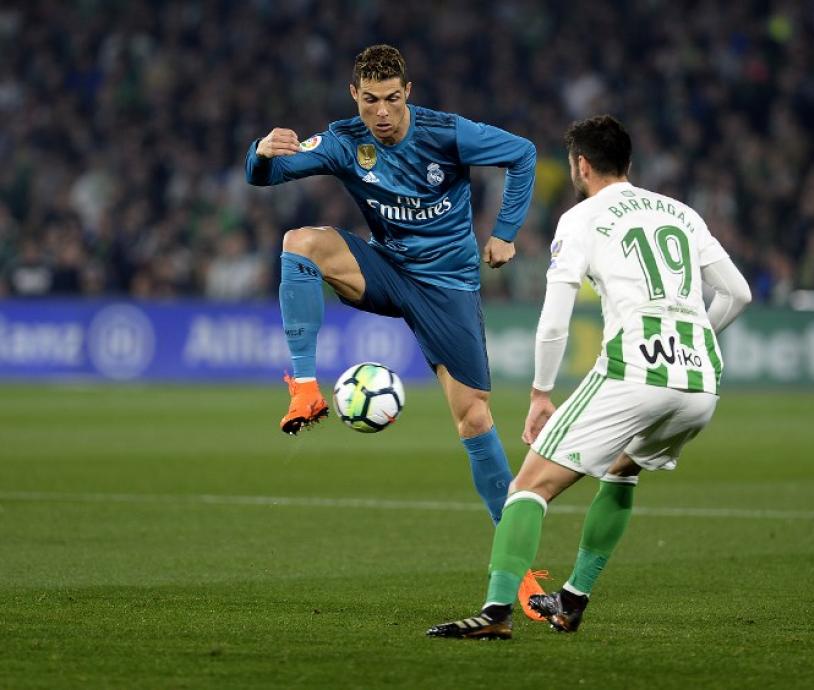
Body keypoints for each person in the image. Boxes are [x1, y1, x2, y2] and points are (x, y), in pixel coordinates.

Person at [245, 45, 547, 615]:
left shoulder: (447, 134)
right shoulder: (342, 141)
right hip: (386, 271)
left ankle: (522, 572)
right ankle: (305, 390)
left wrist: (505, 230)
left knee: (474, 418)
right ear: (353, 97)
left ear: (407, 93)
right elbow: (266, 176)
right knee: (300, 244)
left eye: (390, 99)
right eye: (369, 101)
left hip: (449, 289)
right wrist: (260, 154)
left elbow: (524, 153)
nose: (380, 113)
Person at [427, 115, 752, 640]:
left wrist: (540, 393)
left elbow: (556, 317)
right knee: (623, 469)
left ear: (580, 164)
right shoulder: (682, 212)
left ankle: (496, 614)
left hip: (636, 367)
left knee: (527, 489)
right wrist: (694, 338)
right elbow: (739, 294)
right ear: (628, 161)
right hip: (701, 379)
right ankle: (573, 600)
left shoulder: (581, 218)